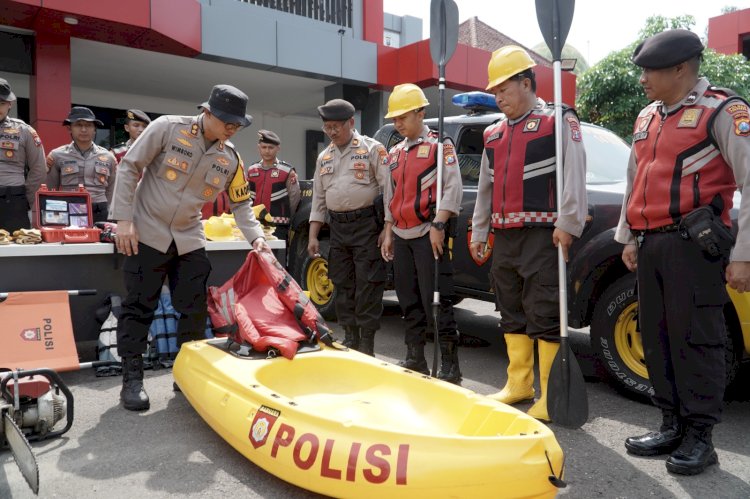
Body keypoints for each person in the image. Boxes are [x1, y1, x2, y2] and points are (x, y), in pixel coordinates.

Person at [615, 29, 750, 476]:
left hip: (695, 246)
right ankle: (671, 423)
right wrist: (626, 236)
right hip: (651, 243)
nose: (642, 80)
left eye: (649, 70)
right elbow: (635, 178)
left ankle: (701, 437)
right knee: (657, 338)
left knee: (697, 340)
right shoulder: (648, 116)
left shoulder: (722, 109)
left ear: (679, 69)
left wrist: (744, 255)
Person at [109, 84, 271, 411]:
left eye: (237, 124)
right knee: (139, 306)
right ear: (206, 112)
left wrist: (257, 239)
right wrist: (123, 220)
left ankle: (187, 374)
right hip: (147, 231)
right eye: (227, 121)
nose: (232, 128)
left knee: (194, 307)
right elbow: (130, 168)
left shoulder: (231, 157)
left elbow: (242, 205)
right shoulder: (168, 128)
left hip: (188, 236)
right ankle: (133, 379)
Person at [470, 46, 588, 421]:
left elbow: (574, 174)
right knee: (509, 308)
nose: (498, 96)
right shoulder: (492, 133)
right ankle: (519, 383)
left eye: (504, 89)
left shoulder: (558, 120)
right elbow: (485, 187)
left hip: (543, 235)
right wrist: (479, 229)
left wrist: (568, 224)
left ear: (526, 82)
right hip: (504, 236)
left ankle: (551, 396)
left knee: (544, 311)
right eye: (494, 92)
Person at [380, 84, 464, 384]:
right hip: (401, 235)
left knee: (437, 299)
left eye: (403, 116)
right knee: (408, 299)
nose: (397, 123)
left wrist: (440, 225)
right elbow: (390, 195)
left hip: (429, 233)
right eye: (394, 118)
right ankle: (415, 356)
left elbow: (453, 188)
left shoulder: (441, 146)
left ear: (421, 113)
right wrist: (388, 231)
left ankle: (450, 365)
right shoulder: (395, 153)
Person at [308, 99, 387, 356]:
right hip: (338, 229)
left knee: (368, 284)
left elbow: (389, 191)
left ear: (351, 123)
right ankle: (350, 336)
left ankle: (367, 342)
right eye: (327, 127)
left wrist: (388, 228)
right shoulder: (324, 157)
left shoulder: (372, 149)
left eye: (336, 126)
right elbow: (318, 199)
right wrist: (313, 234)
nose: (331, 132)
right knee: (341, 283)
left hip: (367, 226)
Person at [46, 107, 118, 223]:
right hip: (68, 209)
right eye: (79, 125)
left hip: (99, 211)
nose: (84, 129)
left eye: (89, 125)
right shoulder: (56, 155)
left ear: (95, 129)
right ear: (69, 128)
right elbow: (50, 190)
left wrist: (111, 215)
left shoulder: (108, 157)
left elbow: (112, 190)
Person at [0, 77, 46, 231]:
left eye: (2, 103)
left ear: (10, 104)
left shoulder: (24, 130)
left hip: (13, 200)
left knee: (17, 249)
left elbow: (39, 168)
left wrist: (26, 198)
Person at [245, 129, 301, 241]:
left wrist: (286, 217)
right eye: (264, 147)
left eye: (271, 148)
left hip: (279, 226)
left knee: (277, 257)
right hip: (256, 224)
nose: (267, 151)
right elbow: (247, 197)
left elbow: (294, 198)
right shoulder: (252, 170)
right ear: (258, 147)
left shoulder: (287, 170)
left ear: (278, 148)